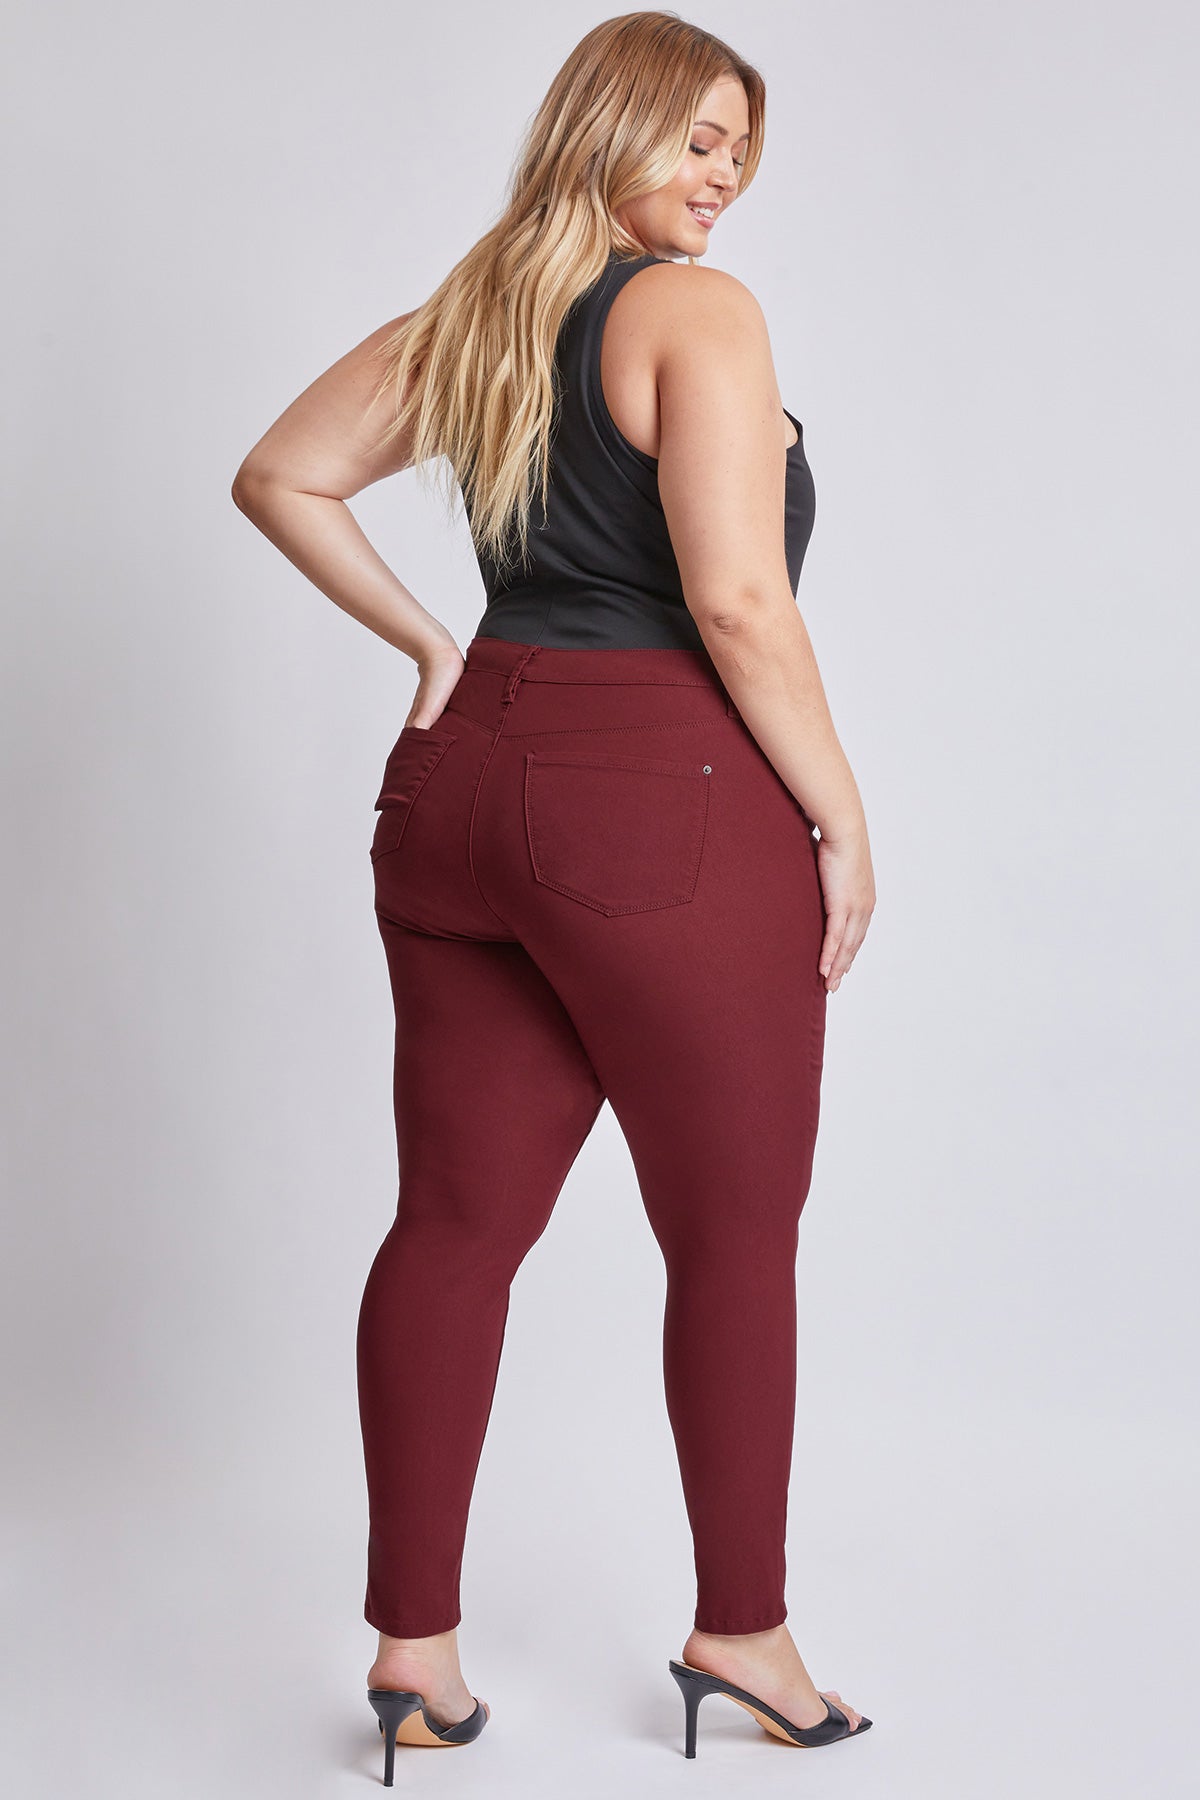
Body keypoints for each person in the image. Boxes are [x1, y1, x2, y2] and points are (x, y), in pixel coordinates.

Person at [232, 10, 875, 1779]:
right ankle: (743, 1634)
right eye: (696, 138)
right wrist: (842, 816)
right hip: (653, 795)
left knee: (451, 1223)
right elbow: (737, 603)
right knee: (731, 1233)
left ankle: (413, 1660)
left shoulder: (476, 312)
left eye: (739, 149)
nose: (722, 177)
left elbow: (281, 473)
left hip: (461, 787)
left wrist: (435, 644)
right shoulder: (695, 314)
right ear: (609, 125)